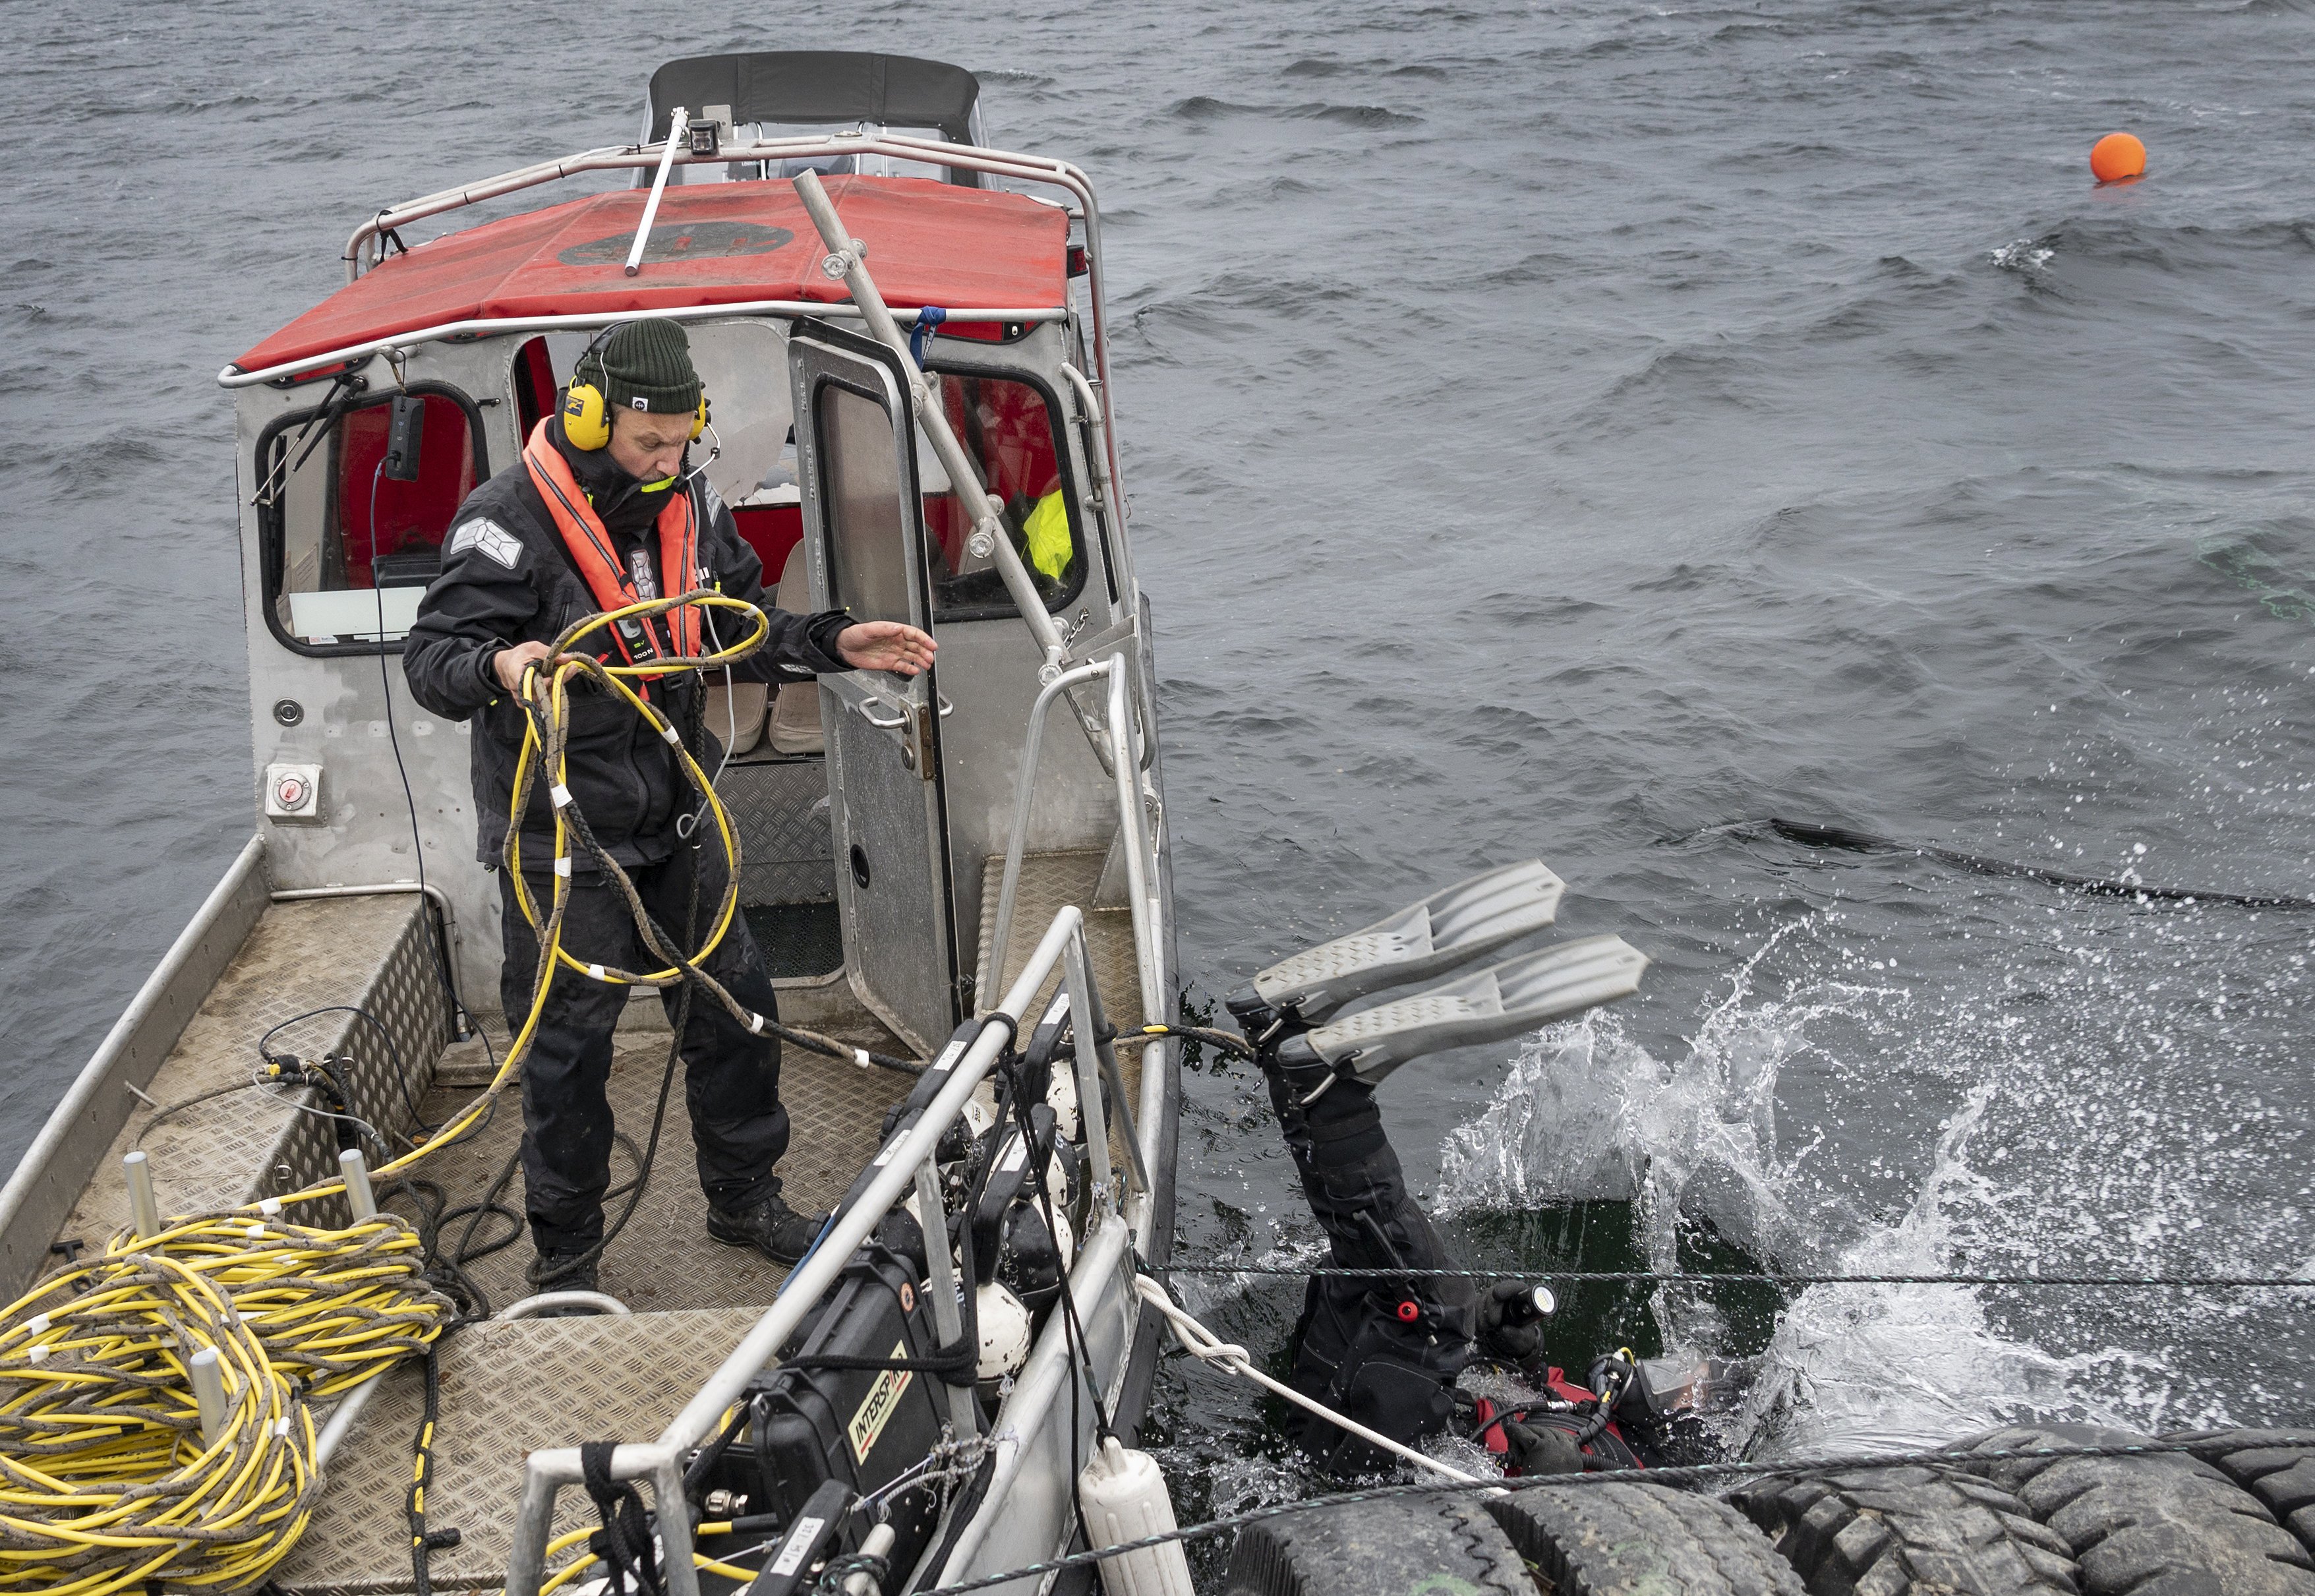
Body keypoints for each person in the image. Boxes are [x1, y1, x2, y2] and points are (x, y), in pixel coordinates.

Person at [403, 318, 935, 1291]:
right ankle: (566, 1261)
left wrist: (834, 640)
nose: (667, 460)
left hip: (678, 821)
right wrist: (503, 663)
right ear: (591, 415)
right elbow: (431, 664)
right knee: (568, 1055)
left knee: (738, 1012)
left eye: (681, 441)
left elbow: (738, 625)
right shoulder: (504, 519)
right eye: (649, 442)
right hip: (562, 841)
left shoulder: (687, 500)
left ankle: (744, 1197)